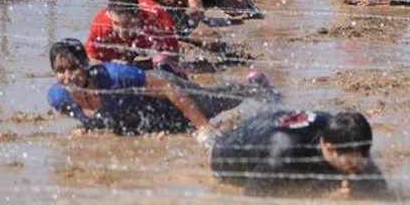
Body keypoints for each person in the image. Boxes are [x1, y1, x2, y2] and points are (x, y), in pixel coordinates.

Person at [46, 38, 276, 138]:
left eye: (73, 67)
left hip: (165, 90)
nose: (68, 76)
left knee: (214, 101)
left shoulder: (115, 77)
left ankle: (256, 87)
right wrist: (88, 127)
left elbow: (168, 89)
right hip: (151, 114)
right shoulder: (58, 98)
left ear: (86, 64)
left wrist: (204, 128)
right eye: (60, 71)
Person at [211, 108, 387, 198]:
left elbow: (379, 187)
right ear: (329, 149)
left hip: (268, 122)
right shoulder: (286, 154)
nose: (361, 164)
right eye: (352, 163)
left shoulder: (344, 135)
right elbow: (253, 194)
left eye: (365, 155)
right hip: (226, 154)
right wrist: (323, 199)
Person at [84, 0, 179, 66]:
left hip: (154, 13)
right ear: (109, 16)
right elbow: (89, 58)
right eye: (116, 23)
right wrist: (109, 65)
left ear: (139, 16)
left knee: (162, 63)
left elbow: (174, 56)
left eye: (127, 24)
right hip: (123, 52)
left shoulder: (158, 23)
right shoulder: (101, 26)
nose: (121, 32)